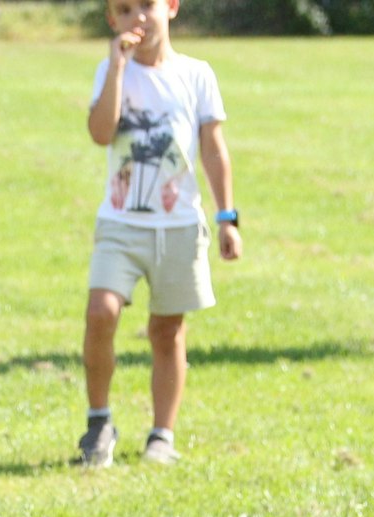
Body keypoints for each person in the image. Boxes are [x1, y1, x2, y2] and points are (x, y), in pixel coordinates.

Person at [78, 0, 242, 469]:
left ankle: (162, 434)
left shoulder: (196, 74)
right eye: (124, 10)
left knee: (167, 331)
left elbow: (213, 150)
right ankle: (99, 422)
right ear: (113, 20)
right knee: (100, 311)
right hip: (121, 223)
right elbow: (100, 132)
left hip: (178, 226)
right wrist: (115, 68)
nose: (138, 19)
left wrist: (227, 217)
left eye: (147, 5)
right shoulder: (112, 71)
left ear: (171, 6)